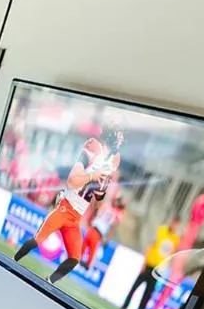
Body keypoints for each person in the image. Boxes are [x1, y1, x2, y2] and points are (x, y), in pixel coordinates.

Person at [13, 121, 123, 283]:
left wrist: (101, 190)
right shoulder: (93, 148)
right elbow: (71, 182)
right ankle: (13, 261)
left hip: (76, 218)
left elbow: (98, 201)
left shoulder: (110, 162)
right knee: (37, 240)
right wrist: (92, 176)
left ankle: (49, 282)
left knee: (74, 258)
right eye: (118, 137)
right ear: (111, 136)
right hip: (65, 208)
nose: (120, 142)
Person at [123, 221, 179, 309]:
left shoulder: (175, 239)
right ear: (172, 223)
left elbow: (172, 255)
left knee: (148, 294)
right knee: (135, 287)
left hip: (158, 270)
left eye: (177, 225)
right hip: (149, 264)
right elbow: (150, 246)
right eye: (175, 223)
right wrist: (144, 263)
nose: (175, 226)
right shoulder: (162, 231)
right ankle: (125, 305)